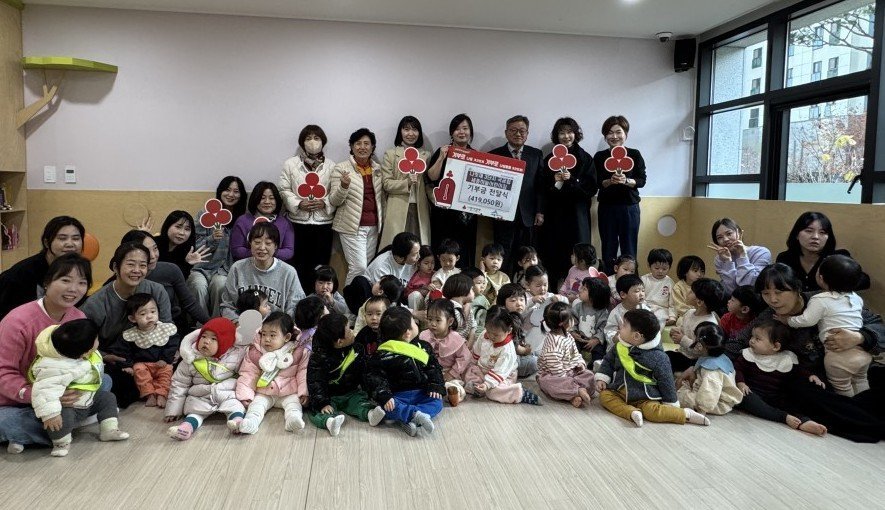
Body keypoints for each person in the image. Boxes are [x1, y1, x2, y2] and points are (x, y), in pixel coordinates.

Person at [717, 263, 885, 442]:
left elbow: (878, 325)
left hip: (854, 368)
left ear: (797, 287)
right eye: (766, 293)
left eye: (780, 292)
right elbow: (737, 343)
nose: (773, 300)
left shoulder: (826, 299)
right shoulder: (769, 317)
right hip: (815, 381)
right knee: (802, 392)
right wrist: (710, 362)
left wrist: (859, 337)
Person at [0, 254, 92, 452]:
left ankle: (51, 431)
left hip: (60, 394)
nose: (73, 289)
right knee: (5, 421)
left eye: (82, 282)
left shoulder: (79, 318)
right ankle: (68, 427)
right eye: (65, 280)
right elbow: (3, 373)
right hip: (15, 400)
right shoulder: (17, 321)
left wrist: (76, 387)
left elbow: (85, 359)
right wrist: (40, 395)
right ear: (47, 283)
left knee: (105, 381)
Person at [81, 242, 175, 408]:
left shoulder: (157, 291)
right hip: (118, 359)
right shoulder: (96, 303)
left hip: (155, 355)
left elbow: (167, 328)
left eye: (142, 265)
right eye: (131, 264)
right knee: (123, 388)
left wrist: (167, 356)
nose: (137, 270)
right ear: (116, 267)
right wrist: (104, 356)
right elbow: (83, 342)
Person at [595, 309, 710, 427]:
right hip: (620, 392)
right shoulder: (619, 346)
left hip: (646, 398)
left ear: (636, 336)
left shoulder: (659, 357)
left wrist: (670, 402)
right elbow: (608, 362)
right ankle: (631, 412)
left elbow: (666, 381)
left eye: (624, 325)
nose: (620, 328)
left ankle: (685, 415)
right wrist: (602, 378)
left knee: (653, 413)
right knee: (604, 396)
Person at [30, 320, 129, 457]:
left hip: (87, 398)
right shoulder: (54, 367)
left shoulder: (74, 348)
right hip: (69, 406)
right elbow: (44, 391)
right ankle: (61, 442)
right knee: (60, 418)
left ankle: (109, 429)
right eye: (96, 339)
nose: (98, 341)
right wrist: (50, 415)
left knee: (108, 398)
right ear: (86, 352)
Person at [784, 255, 869, 396]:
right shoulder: (856, 298)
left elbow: (807, 320)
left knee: (842, 388)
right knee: (861, 381)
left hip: (838, 357)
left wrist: (788, 320)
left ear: (821, 278)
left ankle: (850, 408)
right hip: (862, 352)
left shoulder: (820, 299)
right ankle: (866, 406)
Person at [733, 319, 828, 435]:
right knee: (745, 398)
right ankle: (783, 417)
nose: (751, 341)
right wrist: (741, 382)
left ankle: (804, 421)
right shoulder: (748, 354)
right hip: (752, 393)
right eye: (752, 337)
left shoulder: (786, 358)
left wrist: (811, 376)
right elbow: (737, 369)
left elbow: (798, 371)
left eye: (757, 339)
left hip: (774, 397)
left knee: (791, 403)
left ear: (776, 346)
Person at [364, 307, 445, 437]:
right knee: (385, 407)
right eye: (414, 322)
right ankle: (416, 416)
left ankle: (409, 417)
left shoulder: (424, 347)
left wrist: (435, 385)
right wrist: (385, 395)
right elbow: (374, 378)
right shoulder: (381, 354)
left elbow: (434, 367)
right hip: (397, 396)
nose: (416, 324)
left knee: (438, 402)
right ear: (407, 333)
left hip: (422, 392)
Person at [165, 317, 248, 440]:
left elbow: (246, 376)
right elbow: (179, 383)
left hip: (227, 393)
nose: (206, 342)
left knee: (235, 406)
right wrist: (173, 410)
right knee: (194, 412)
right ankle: (186, 428)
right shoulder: (191, 359)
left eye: (214, 339)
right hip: (200, 395)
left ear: (225, 342)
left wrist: (246, 397)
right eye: (203, 337)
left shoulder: (236, 356)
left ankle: (236, 422)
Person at [539, 117, 598, 286]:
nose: (566, 136)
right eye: (562, 132)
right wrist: (555, 181)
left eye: (570, 132)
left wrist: (572, 180)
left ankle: (580, 290)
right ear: (556, 136)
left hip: (577, 215)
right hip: (554, 215)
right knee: (553, 252)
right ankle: (553, 291)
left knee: (579, 252)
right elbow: (542, 188)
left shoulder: (585, 158)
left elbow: (591, 188)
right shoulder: (549, 159)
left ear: (576, 134)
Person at [306, 313, 386, 436]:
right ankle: (329, 422)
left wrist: (373, 392)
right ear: (340, 342)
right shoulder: (319, 358)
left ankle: (370, 414)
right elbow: (315, 381)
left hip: (350, 392)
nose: (352, 331)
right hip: (328, 395)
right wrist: (322, 402)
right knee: (317, 410)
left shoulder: (357, 349)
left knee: (360, 401)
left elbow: (365, 373)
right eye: (349, 329)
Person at [279, 125, 337, 288]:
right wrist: (298, 203)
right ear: (302, 142)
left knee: (320, 266)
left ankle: (318, 299)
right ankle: (297, 298)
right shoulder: (290, 164)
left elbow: (336, 193)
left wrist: (324, 202)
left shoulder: (332, 166)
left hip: (323, 224)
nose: (312, 142)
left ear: (323, 142)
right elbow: (283, 189)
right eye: (308, 138)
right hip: (297, 224)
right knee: (298, 265)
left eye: (316, 138)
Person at [120, 230, 210, 331]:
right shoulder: (122, 280)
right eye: (146, 251)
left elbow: (190, 303)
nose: (153, 256)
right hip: (136, 331)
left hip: (172, 326)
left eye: (155, 248)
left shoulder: (170, 270)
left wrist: (212, 325)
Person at [488, 115, 546, 271]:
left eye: (522, 130)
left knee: (527, 255)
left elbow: (540, 186)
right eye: (513, 130)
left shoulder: (536, 154)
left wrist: (540, 211)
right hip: (502, 215)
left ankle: (526, 283)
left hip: (528, 215)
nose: (518, 134)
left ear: (527, 133)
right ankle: (505, 283)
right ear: (506, 133)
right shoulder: (494, 155)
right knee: (503, 255)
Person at [236, 312, 310, 434]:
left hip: (289, 391)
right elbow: (248, 374)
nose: (267, 339)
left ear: (286, 337)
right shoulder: (255, 352)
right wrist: (245, 395)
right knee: (256, 406)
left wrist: (304, 393)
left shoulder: (298, 352)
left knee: (294, 405)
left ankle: (293, 419)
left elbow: (303, 373)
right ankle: (251, 422)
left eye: (272, 335)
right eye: (264, 334)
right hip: (264, 392)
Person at [0, 216, 84, 320]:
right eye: (62, 238)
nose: (70, 244)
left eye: (76, 238)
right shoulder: (21, 275)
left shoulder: (78, 270)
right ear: (46, 243)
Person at [330, 128, 385, 286]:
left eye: (366, 143)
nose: (362, 147)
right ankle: (348, 300)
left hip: (374, 226)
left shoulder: (378, 169)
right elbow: (334, 201)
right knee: (358, 268)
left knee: (367, 269)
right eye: (358, 143)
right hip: (351, 226)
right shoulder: (341, 168)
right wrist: (343, 186)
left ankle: (362, 300)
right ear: (352, 147)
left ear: (372, 147)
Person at [188, 176, 247, 318]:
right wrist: (211, 239)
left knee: (221, 285)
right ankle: (200, 324)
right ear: (220, 191)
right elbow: (193, 244)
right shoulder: (204, 215)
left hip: (224, 270)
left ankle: (216, 324)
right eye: (227, 190)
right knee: (198, 285)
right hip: (201, 268)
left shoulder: (242, 219)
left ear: (241, 195)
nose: (231, 194)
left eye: (236, 191)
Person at [220, 222, 305, 321]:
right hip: (243, 325)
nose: (262, 247)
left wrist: (281, 326)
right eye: (257, 242)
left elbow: (295, 307)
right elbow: (227, 305)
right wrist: (239, 323)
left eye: (268, 243)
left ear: (276, 246)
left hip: (276, 327)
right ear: (250, 243)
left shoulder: (289, 272)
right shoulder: (237, 268)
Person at [593, 115, 646, 273]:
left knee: (629, 247)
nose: (614, 136)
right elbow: (596, 182)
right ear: (605, 136)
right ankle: (608, 280)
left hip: (629, 207)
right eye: (610, 133)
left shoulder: (634, 154)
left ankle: (629, 282)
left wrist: (626, 180)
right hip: (607, 207)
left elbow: (642, 180)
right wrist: (609, 181)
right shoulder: (600, 156)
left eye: (618, 132)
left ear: (625, 134)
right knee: (608, 247)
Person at [425, 114, 478, 268]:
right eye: (457, 129)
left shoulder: (476, 155)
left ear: (470, 132)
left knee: (463, 252)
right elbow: (432, 177)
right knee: (442, 248)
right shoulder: (442, 151)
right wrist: (441, 157)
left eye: (465, 128)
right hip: (443, 213)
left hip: (466, 215)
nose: (461, 132)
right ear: (451, 133)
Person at [463, 306, 542, 405]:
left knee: (492, 392)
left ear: (509, 331)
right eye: (488, 332)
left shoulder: (507, 350)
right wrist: (471, 365)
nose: (491, 336)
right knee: (467, 374)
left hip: (503, 375)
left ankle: (520, 393)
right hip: (482, 369)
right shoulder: (484, 335)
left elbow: (500, 371)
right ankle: (479, 389)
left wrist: (487, 384)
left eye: (496, 335)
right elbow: (476, 352)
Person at [775, 211, 869, 292]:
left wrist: (833, 286)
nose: (815, 237)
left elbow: (864, 281)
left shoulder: (838, 257)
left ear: (828, 237)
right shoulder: (785, 258)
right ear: (796, 234)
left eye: (822, 232)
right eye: (809, 231)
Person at [379, 115, 432, 247]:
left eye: (414, 129)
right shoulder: (391, 154)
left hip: (420, 209)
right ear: (400, 132)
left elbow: (429, 183)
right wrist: (406, 183)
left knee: (418, 248)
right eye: (406, 129)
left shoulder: (425, 155)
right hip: (397, 207)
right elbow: (386, 183)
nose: (410, 133)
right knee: (396, 247)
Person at [119, 293, 178, 408]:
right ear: (132, 318)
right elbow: (124, 351)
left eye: (153, 311)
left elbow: (172, 346)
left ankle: (162, 394)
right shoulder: (130, 335)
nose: (149, 316)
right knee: (138, 368)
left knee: (167, 370)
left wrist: (165, 359)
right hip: (143, 364)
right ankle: (149, 394)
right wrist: (128, 365)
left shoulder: (165, 329)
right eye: (143, 314)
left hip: (161, 363)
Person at [343, 231, 420, 314]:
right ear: (401, 257)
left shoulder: (412, 261)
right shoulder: (381, 268)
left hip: (396, 298)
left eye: (419, 252)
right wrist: (413, 313)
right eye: (415, 254)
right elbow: (387, 302)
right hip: (376, 301)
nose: (419, 256)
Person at [537, 301, 596, 408]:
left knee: (590, 375)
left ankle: (572, 394)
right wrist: (567, 380)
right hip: (555, 376)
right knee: (549, 383)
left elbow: (575, 354)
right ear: (562, 324)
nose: (573, 321)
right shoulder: (553, 343)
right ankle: (576, 391)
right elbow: (555, 368)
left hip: (571, 372)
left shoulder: (568, 336)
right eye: (571, 318)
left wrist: (580, 363)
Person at [676, 323, 743, 416]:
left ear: (700, 345)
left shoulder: (712, 371)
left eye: (695, 337)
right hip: (710, 392)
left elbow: (709, 394)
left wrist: (701, 409)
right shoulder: (717, 357)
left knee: (679, 395)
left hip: (717, 402)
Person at [419, 298, 473, 406]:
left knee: (453, 385)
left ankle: (452, 393)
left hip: (448, 373)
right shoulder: (424, 335)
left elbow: (465, 358)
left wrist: (452, 373)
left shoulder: (455, 338)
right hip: (429, 372)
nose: (433, 324)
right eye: (430, 319)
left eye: (438, 320)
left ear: (450, 321)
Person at [231, 182, 295, 264]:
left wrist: (269, 252)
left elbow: (289, 251)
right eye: (262, 198)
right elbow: (236, 250)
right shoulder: (243, 220)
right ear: (255, 199)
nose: (267, 202)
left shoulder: (284, 222)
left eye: (271, 198)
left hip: (276, 266)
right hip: (247, 265)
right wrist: (258, 252)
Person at [707, 218, 771, 294]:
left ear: (739, 233)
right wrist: (728, 262)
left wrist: (742, 256)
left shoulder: (761, 252)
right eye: (720, 237)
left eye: (729, 234)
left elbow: (751, 286)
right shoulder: (720, 259)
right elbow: (731, 290)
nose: (725, 239)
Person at [496, 283, 536, 377]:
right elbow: (515, 347)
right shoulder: (507, 321)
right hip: (505, 359)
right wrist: (525, 351)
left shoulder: (516, 317)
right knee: (534, 361)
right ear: (503, 304)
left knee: (536, 353)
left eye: (522, 299)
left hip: (513, 354)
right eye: (513, 300)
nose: (519, 303)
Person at [156, 210, 209, 280]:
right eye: (178, 227)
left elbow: (179, 281)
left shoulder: (188, 251)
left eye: (187, 229)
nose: (182, 233)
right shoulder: (154, 244)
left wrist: (187, 263)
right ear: (167, 226)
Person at [571, 277, 611, 364]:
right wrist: (573, 332)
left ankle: (595, 365)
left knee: (599, 351)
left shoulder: (603, 312)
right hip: (579, 338)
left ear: (594, 295)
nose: (580, 290)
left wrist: (596, 340)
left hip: (594, 341)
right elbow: (572, 322)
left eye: (584, 289)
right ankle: (575, 364)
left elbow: (603, 328)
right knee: (572, 346)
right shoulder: (578, 307)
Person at [604, 274, 650, 346]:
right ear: (623, 294)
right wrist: (614, 338)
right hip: (621, 345)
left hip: (640, 344)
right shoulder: (616, 313)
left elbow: (651, 326)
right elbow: (609, 331)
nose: (641, 294)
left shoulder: (645, 309)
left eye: (643, 290)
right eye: (637, 291)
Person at [640, 248, 676, 326]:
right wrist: (646, 307)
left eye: (664, 269)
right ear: (649, 266)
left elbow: (672, 303)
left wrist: (672, 317)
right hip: (646, 306)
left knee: (660, 318)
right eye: (656, 268)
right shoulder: (643, 279)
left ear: (669, 267)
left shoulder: (670, 282)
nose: (660, 271)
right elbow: (640, 297)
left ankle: (656, 332)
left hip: (661, 309)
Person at [672, 255, 706, 321]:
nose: (699, 274)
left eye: (702, 271)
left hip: (703, 313)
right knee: (680, 321)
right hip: (686, 315)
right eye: (695, 271)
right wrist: (695, 312)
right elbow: (679, 307)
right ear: (685, 272)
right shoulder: (678, 287)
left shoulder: (704, 285)